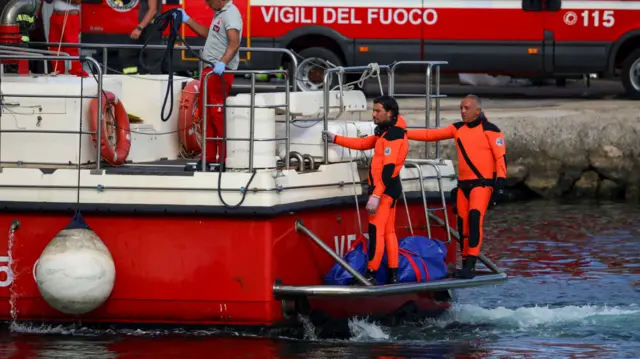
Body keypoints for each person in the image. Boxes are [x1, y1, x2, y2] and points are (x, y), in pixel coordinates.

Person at [405, 94, 507, 279]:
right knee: (463, 227)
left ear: (478, 110)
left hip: (482, 185)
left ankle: (470, 266)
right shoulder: (457, 128)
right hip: (463, 187)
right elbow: (431, 135)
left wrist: (500, 186)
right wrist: (404, 133)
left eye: (467, 108)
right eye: (461, 108)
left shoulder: (491, 130)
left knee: (475, 222)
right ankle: (466, 262)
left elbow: (501, 159)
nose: (462, 111)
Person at [322, 95, 408, 285]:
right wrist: (335, 138)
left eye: (378, 111)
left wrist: (376, 195)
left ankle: (371, 273)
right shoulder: (386, 133)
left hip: (383, 191)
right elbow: (362, 144)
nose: (374, 114)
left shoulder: (393, 136)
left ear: (390, 113)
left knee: (376, 231)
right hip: (389, 190)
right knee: (388, 232)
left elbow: (388, 169)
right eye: (374, 110)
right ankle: (393, 274)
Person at [178, 0, 242, 171]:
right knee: (206, 115)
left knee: (217, 115)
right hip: (211, 70)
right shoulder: (220, 13)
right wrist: (188, 20)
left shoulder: (230, 13)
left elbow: (234, 42)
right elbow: (210, 34)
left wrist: (222, 63)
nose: (207, 4)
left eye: (208, 1)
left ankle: (223, 159)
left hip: (219, 71)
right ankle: (207, 158)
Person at [119, 0, 164, 75]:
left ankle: (155, 81)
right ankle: (133, 77)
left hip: (152, 27)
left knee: (152, 58)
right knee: (127, 52)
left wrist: (139, 28)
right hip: (146, 26)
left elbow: (153, 10)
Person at [48, 0, 88, 76]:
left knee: (71, 47)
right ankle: (57, 71)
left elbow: (78, 1)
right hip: (55, 15)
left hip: (70, 16)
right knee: (54, 47)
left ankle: (76, 73)